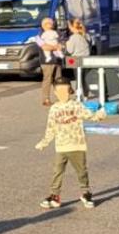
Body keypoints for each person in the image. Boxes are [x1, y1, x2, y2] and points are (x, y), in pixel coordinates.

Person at [35, 81, 106, 209]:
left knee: (81, 171)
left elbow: (91, 116)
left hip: (77, 144)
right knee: (57, 171)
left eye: (65, 91)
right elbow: (51, 127)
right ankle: (54, 195)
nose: (62, 94)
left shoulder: (76, 106)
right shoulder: (54, 109)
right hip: (61, 146)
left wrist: (100, 114)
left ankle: (86, 193)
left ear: (70, 91)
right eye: (59, 91)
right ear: (55, 93)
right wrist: (44, 142)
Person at [35, 18, 63, 106]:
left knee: (59, 80)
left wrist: (57, 47)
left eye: (51, 23)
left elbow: (61, 45)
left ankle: (61, 97)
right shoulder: (38, 37)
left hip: (57, 60)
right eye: (47, 23)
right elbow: (44, 47)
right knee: (47, 80)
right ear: (43, 25)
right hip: (46, 61)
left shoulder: (57, 33)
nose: (49, 24)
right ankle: (46, 99)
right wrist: (55, 47)